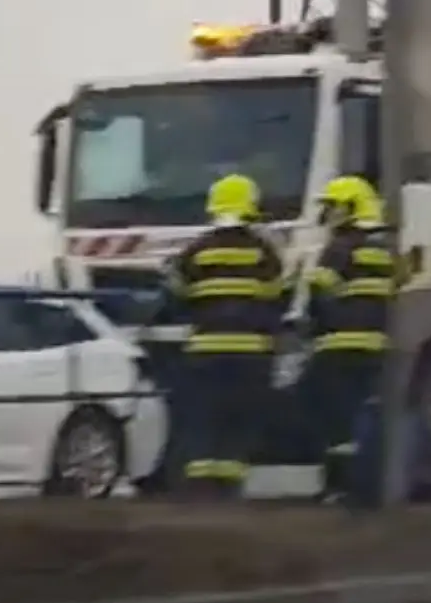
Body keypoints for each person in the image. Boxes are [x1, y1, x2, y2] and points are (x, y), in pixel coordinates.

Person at [166, 173, 286, 499]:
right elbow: (279, 296)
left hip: (205, 350)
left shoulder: (196, 251)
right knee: (240, 420)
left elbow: (177, 297)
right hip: (251, 353)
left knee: (203, 418)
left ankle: (200, 487)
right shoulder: (264, 252)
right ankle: (230, 488)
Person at [303, 175, 396, 506]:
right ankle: (366, 488)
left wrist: (313, 327)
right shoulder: (385, 249)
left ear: (351, 207)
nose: (329, 214)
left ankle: (338, 488)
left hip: (337, 347)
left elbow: (319, 292)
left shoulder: (338, 248)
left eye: (333, 207)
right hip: (376, 346)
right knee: (368, 416)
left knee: (337, 424)